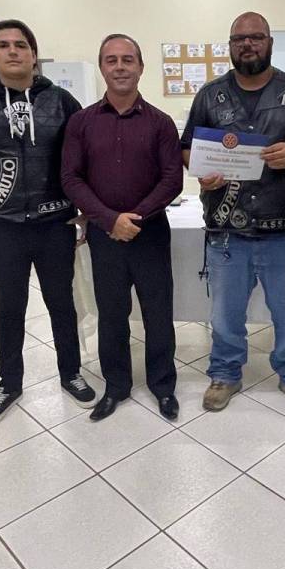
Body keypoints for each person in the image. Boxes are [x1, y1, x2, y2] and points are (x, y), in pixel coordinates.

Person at [181, 12, 285, 415]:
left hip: (284, 227)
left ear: (270, 43)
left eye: (255, 37)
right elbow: (187, 148)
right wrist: (202, 170)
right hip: (226, 229)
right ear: (230, 46)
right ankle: (225, 373)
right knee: (224, 314)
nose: (247, 44)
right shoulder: (210, 96)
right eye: (239, 39)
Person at [0, 19, 96, 427]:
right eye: (3, 45)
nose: (13, 51)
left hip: (54, 224)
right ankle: (9, 384)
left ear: (33, 54)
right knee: (9, 309)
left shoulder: (61, 102)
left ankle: (71, 374)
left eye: (21, 44)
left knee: (62, 304)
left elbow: (84, 161)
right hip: (2, 226)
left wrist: (85, 210)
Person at [61, 34, 182, 422]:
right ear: (102, 68)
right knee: (111, 315)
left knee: (158, 313)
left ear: (141, 67)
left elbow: (172, 179)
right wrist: (110, 220)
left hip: (151, 234)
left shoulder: (161, 123)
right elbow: (71, 178)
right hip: (104, 235)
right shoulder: (81, 123)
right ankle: (116, 386)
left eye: (128, 59)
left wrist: (135, 218)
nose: (120, 67)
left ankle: (163, 386)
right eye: (111, 60)